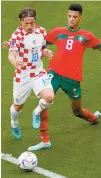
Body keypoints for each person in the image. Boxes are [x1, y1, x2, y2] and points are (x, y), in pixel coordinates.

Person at [27, 4, 101, 151]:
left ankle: (93, 118)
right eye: (69, 16)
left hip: (72, 78)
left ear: (81, 18)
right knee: (44, 102)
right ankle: (45, 140)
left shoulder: (87, 36)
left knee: (77, 111)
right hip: (54, 73)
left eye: (75, 17)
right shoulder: (57, 32)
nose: (71, 20)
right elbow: (40, 43)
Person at [4, 7, 54, 146]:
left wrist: (46, 52)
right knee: (18, 106)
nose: (29, 26)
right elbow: (11, 55)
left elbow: (41, 48)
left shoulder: (42, 31)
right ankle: (14, 124)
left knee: (49, 97)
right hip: (23, 75)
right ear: (20, 21)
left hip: (38, 71)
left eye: (31, 23)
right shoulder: (16, 36)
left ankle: (36, 112)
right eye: (26, 23)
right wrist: (15, 62)